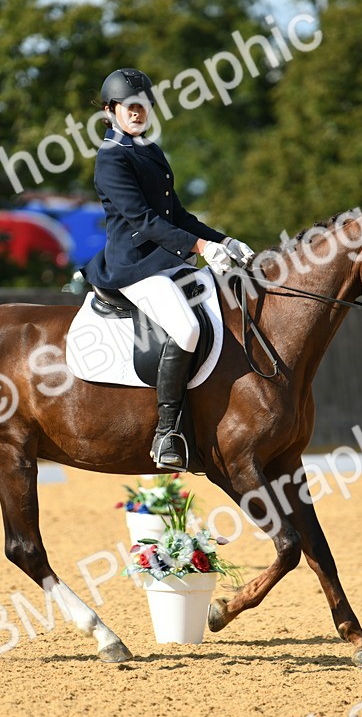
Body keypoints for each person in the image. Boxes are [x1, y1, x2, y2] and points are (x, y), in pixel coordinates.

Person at [83, 68, 256, 471]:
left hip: (165, 261)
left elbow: (177, 214)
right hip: (134, 266)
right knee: (188, 328)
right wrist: (198, 247)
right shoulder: (111, 160)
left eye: (143, 106)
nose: (138, 113)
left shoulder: (150, 151)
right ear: (111, 110)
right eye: (130, 106)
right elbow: (143, 219)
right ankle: (166, 433)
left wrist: (222, 240)